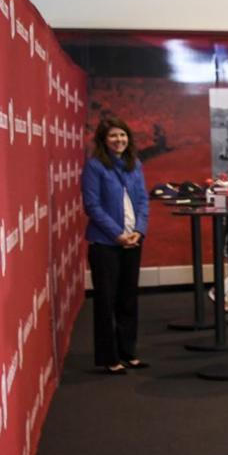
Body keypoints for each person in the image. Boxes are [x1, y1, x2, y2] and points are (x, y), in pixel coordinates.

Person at [80, 116, 149, 374]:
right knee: (106, 301)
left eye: (122, 135)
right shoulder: (95, 167)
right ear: (103, 140)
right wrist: (117, 234)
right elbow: (92, 206)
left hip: (133, 242)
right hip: (105, 244)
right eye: (113, 136)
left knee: (128, 299)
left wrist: (139, 231)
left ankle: (128, 352)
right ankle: (110, 358)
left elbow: (143, 200)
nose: (119, 140)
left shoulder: (135, 165)